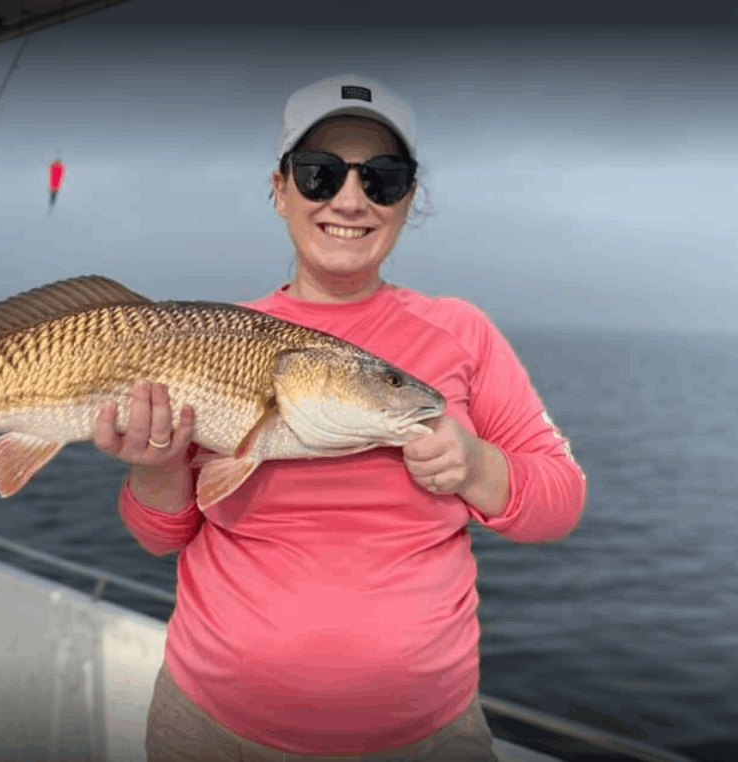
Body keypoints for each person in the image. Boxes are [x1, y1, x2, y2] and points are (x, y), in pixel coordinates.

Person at [93, 74, 587, 761]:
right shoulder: (210, 341)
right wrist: (156, 470)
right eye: (320, 174)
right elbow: (161, 538)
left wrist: (477, 466)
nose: (350, 200)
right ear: (280, 190)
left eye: (383, 179)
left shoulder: (462, 333)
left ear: (408, 201)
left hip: (427, 738)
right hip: (211, 729)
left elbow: (561, 502)